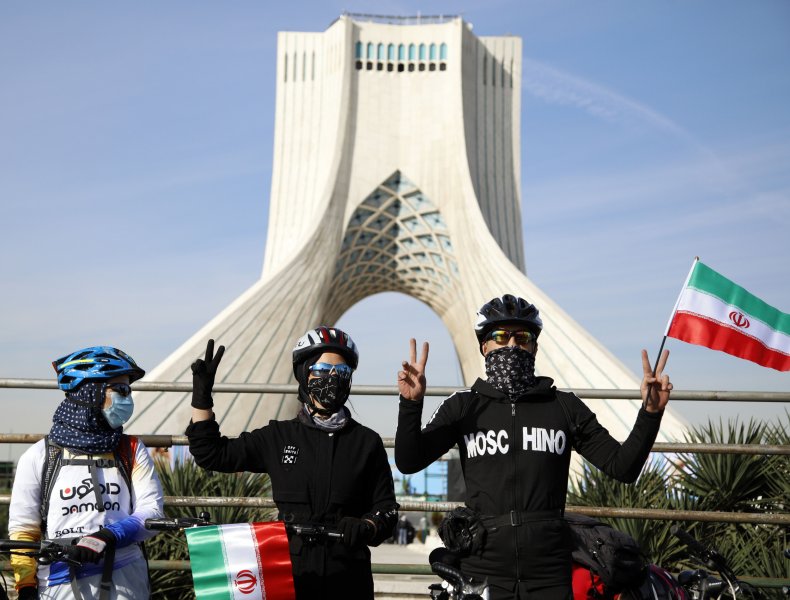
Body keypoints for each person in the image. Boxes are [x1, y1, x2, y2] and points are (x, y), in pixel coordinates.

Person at [395, 294, 673, 600]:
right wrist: (411, 405)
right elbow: (409, 461)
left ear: (535, 347)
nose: (511, 345)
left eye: (522, 337)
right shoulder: (464, 405)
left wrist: (650, 414)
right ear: (484, 346)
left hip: (548, 570)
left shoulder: (564, 407)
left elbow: (624, 467)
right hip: (482, 566)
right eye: (500, 336)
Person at [186, 329, 398, 600]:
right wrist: (201, 397)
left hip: (346, 573)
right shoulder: (279, 436)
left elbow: (387, 509)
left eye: (341, 371)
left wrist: (368, 525)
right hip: (288, 572)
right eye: (323, 369)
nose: (332, 377)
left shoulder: (366, 443)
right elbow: (212, 454)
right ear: (305, 373)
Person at [8, 346, 165, 600]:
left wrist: (107, 536)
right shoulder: (39, 456)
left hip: (126, 580)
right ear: (90, 392)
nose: (128, 399)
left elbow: (152, 513)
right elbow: (24, 530)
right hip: (59, 583)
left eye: (129, 390)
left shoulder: (132, 449)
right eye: (121, 390)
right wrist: (26, 588)